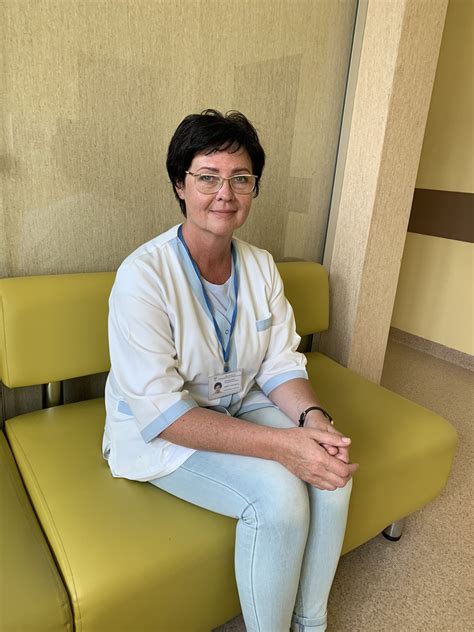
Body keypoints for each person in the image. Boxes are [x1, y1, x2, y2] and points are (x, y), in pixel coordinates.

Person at [103, 109, 358, 632]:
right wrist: (282, 446)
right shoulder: (142, 277)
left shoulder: (260, 265)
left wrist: (313, 421)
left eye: (241, 178)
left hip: (239, 399)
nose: (226, 193)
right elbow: (166, 413)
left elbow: (279, 362)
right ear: (180, 185)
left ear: (253, 188)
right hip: (163, 430)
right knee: (280, 497)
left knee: (331, 467)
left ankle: (310, 622)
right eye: (208, 177)